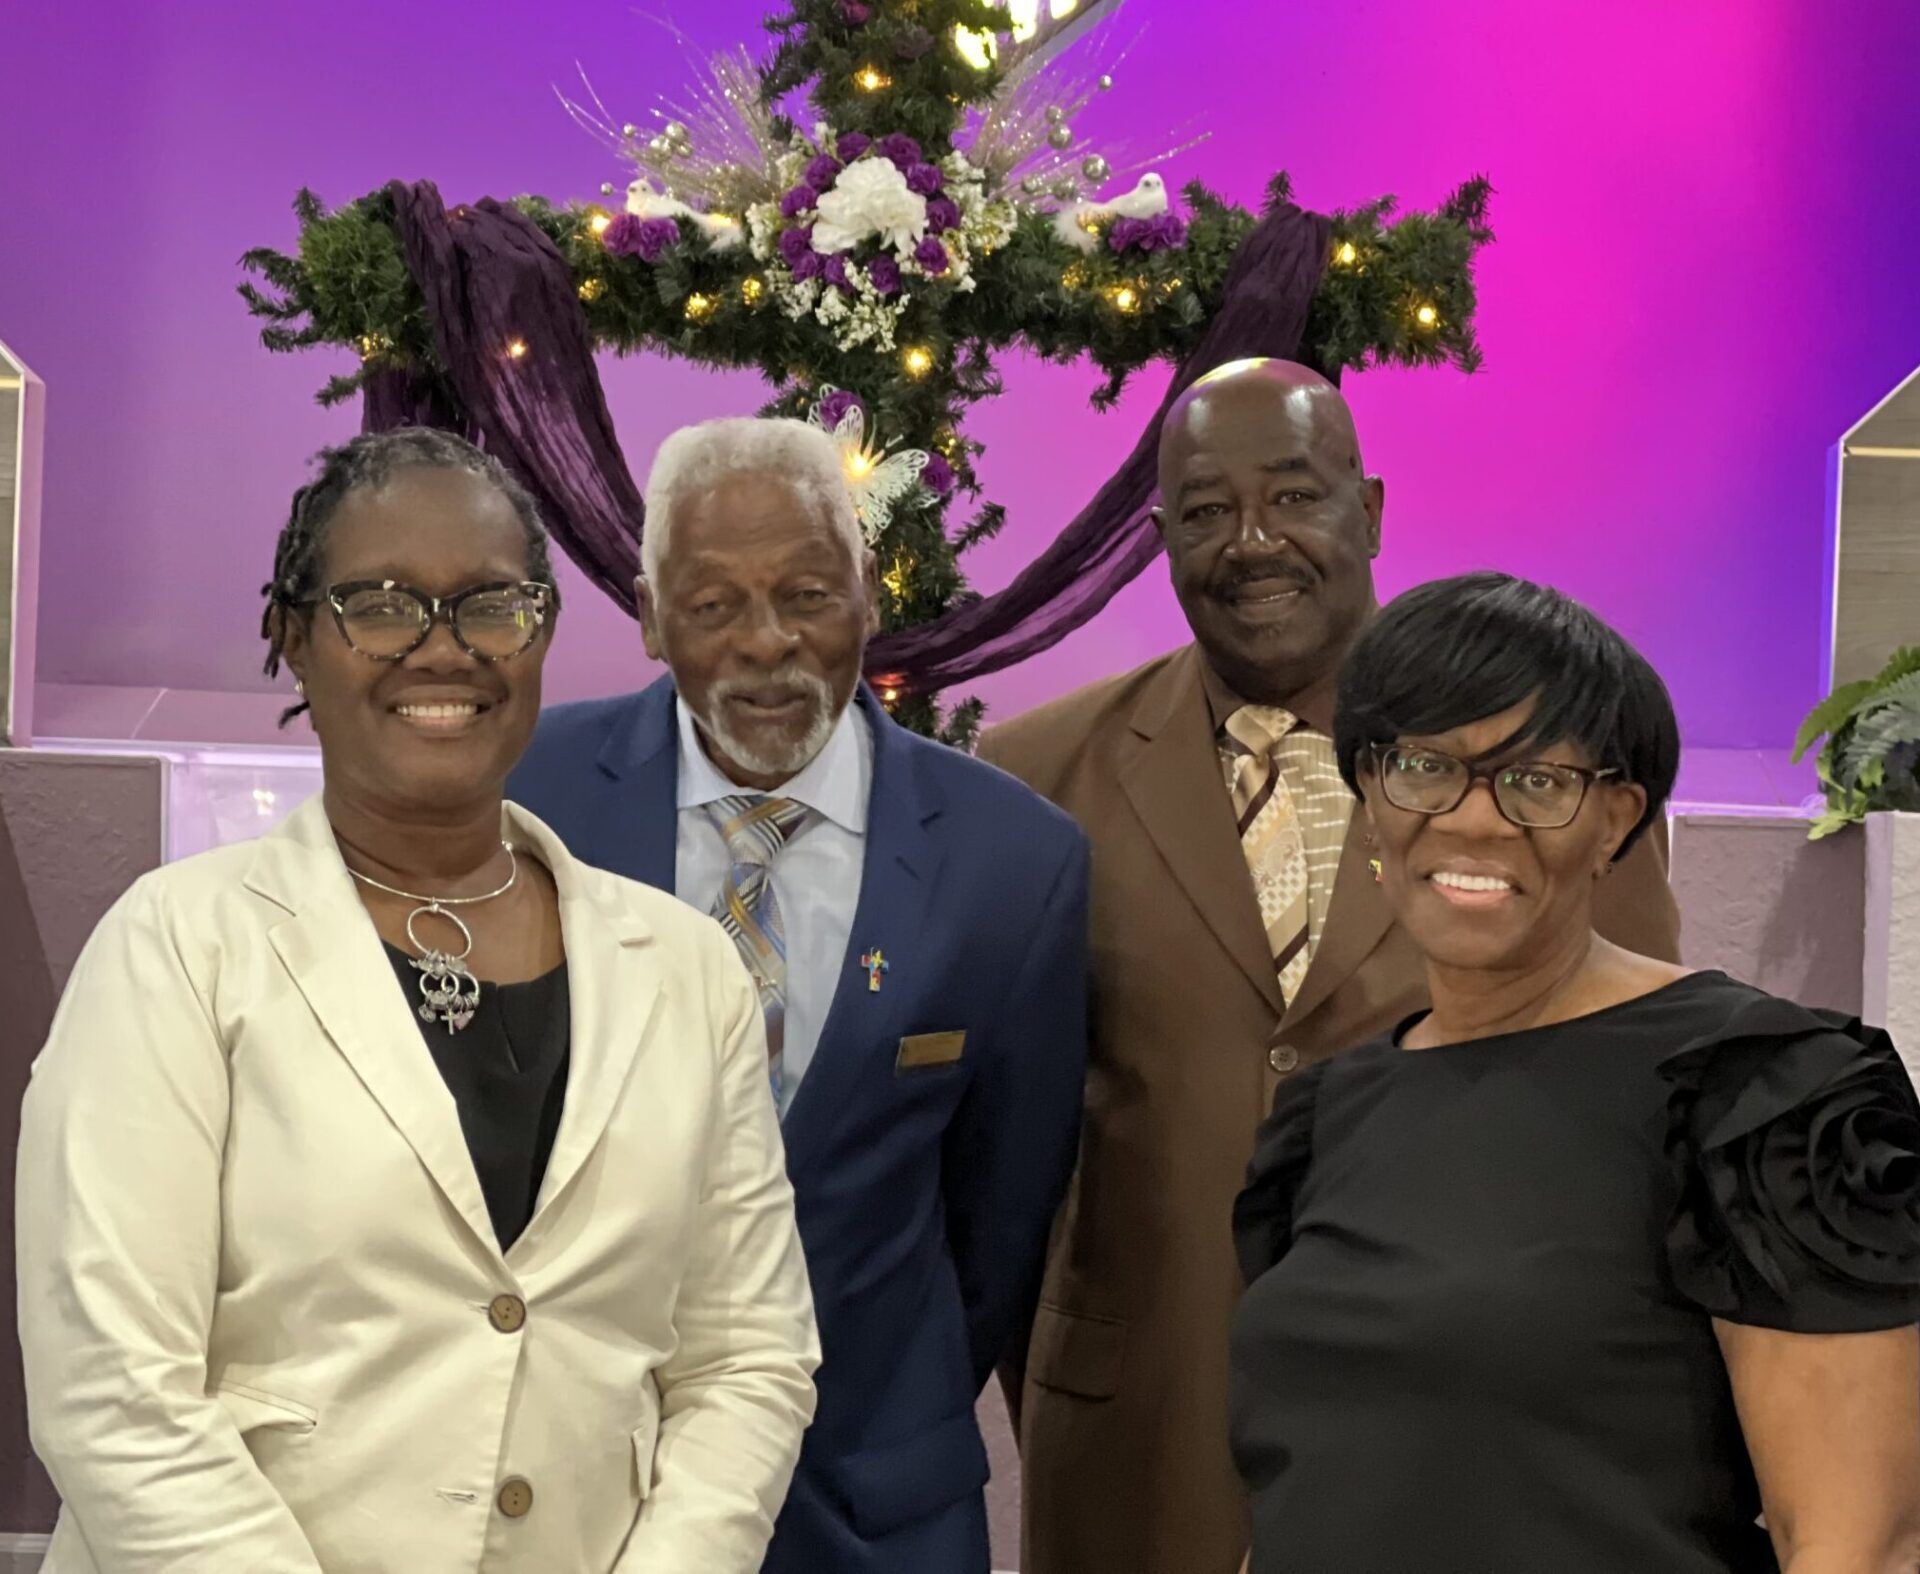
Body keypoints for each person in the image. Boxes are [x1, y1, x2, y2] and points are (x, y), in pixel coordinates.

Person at [16, 429, 819, 1574]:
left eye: (491, 604)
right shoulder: (177, 952)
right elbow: (113, 1388)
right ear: (291, 635)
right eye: (380, 605)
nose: (443, 650)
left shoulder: (688, 973)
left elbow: (748, 1357)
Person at [976, 358, 1684, 1574]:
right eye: (1204, 511)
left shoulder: (1550, 772)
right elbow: (991, 1145)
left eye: (1295, 496)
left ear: (1370, 511)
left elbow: (1641, 1108)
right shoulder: (1033, 773)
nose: (1253, 541)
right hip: (1138, 1452)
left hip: (1460, 1451)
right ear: (1157, 540)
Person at [1231, 570, 1920, 1571]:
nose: (1473, 819)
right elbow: (1310, 1483)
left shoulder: (1763, 1092)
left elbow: (1860, 1543)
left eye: (1537, 779)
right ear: (1370, 794)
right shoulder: (1330, 1112)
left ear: (1617, 819)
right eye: (1424, 765)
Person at [508, 416, 1089, 1574]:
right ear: (650, 616)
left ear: (869, 597)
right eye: (715, 604)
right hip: (579, 1486)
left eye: (809, 594)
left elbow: (1002, 1217)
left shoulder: (1014, 862)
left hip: (875, 1501)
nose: (768, 644)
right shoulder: (530, 796)